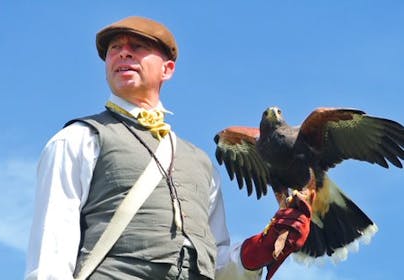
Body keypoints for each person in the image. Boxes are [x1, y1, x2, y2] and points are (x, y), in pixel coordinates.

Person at [25, 16, 312, 280]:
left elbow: (218, 266)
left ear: (168, 69)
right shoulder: (78, 139)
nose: (123, 53)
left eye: (137, 47)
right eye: (114, 48)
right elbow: (51, 254)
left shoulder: (201, 165)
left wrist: (259, 249)